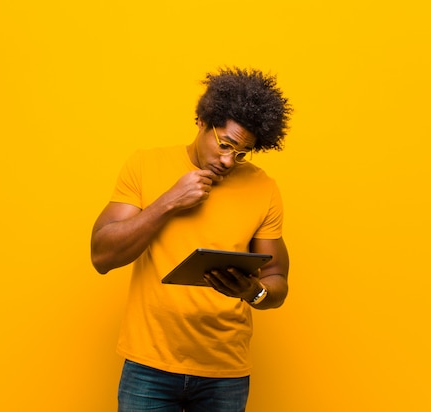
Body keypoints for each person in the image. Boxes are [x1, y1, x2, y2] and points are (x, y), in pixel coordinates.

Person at [90, 67, 293, 412]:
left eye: (242, 153)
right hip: (149, 364)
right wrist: (169, 201)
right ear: (201, 121)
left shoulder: (263, 187)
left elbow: (276, 281)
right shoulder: (145, 165)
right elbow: (102, 256)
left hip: (225, 368)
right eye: (225, 144)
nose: (229, 160)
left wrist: (253, 292)